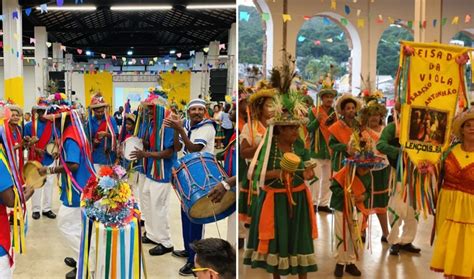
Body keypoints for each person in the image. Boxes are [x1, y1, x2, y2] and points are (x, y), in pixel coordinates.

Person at [244, 89, 317, 279]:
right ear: (280, 129)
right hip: (275, 201)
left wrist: (308, 172)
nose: (295, 131)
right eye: (291, 128)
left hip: (298, 199)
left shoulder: (299, 145)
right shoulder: (269, 146)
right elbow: (253, 174)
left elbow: (309, 171)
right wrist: (276, 173)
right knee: (277, 239)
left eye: (296, 127)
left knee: (300, 239)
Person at [39, 97, 95, 279]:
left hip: (77, 189)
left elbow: (73, 165)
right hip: (83, 187)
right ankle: (83, 256)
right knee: (78, 225)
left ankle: (84, 262)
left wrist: (50, 169)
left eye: (55, 121)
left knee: (64, 224)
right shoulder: (73, 132)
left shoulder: (70, 137)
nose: (53, 124)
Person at [164, 98, 216, 276]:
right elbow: (179, 147)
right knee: (185, 216)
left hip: (201, 176)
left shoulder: (208, 127)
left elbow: (194, 148)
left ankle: (194, 261)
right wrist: (176, 131)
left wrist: (180, 129)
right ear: (188, 112)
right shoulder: (187, 126)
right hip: (187, 176)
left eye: (199, 109)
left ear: (204, 111)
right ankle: (189, 250)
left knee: (196, 219)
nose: (196, 112)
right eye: (193, 109)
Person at [430, 107, 474, 278]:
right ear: (461, 130)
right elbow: (435, 174)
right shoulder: (449, 151)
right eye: (467, 125)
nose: (472, 127)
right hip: (447, 205)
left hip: (470, 211)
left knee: (468, 250)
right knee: (450, 246)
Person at [130, 100, 176, 257]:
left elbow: (169, 152)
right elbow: (147, 144)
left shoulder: (167, 124)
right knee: (147, 202)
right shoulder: (150, 123)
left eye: (151, 109)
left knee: (158, 207)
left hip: (162, 172)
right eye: (147, 109)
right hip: (150, 170)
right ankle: (151, 234)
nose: (148, 112)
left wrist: (146, 154)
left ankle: (165, 242)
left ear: (160, 108)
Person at [376, 102, 421, 256]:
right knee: (396, 208)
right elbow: (380, 144)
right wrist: (400, 152)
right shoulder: (393, 127)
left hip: (417, 175)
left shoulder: (422, 127)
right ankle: (394, 241)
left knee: (413, 209)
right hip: (399, 174)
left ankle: (407, 240)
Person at [0, 104, 35, 279]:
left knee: (20, 219)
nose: (14, 117)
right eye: (11, 114)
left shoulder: (19, 131)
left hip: (13, 174)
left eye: (17, 114)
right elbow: (8, 200)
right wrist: (26, 194)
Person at [359, 100, 390, 243]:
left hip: (383, 170)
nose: (374, 118)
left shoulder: (386, 130)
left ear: (381, 116)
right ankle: (362, 230)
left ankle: (386, 232)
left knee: (381, 201)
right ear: (366, 116)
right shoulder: (362, 132)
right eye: (371, 115)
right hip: (366, 170)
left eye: (377, 115)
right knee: (365, 199)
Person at [307, 76, 337, 213]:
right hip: (316, 150)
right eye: (327, 97)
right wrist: (317, 121)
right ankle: (313, 203)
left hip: (330, 151)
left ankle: (324, 203)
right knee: (315, 179)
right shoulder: (314, 111)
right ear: (322, 98)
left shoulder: (335, 113)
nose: (329, 100)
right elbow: (309, 129)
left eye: (331, 97)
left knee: (328, 180)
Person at [24, 99, 57, 220]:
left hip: (49, 160)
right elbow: (25, 143)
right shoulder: (29, 126)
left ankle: (47, 209)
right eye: (41, 111)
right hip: (35, 160)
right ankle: (36, 209)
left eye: (45, 111)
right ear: (37, 111)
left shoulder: (53, 126)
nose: (43, 114)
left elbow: (56, 141)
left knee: (49, 184)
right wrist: (34, 148)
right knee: (36, 183)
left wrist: (55, 151)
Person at [328, 94, 362, 173]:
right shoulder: (336, 126)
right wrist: (346, 147)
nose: (351, 110)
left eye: (353, 108)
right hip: (340, 161)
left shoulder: (357, 125)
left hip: (355, 160)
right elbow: (331, 144)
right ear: (343, 111)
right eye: (348, 108)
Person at [87, 93, 119, 169]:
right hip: (95, 155)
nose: (100, 113)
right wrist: (93, 140)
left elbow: (117, 136)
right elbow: (87, 138)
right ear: (93, 110)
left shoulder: (111, 120)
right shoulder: (90, 121)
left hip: (108, 155)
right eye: (98, 112)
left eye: (102, 111)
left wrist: (106, 134)